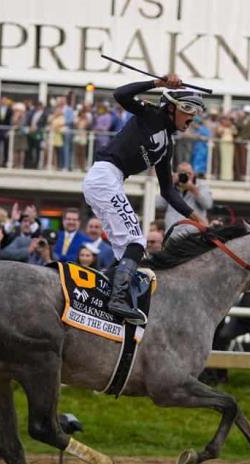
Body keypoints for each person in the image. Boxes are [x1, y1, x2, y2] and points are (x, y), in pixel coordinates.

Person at [83, 74, 208, 323]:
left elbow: (168, 191)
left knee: (126, 250)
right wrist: (157, 83)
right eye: (188, 111)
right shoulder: (150, 114)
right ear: (172, 107)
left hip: (109, 181)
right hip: (105, 176)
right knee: (137, 241)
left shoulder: (167, 146)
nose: (192, 119)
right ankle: (117, 300)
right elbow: (120, 94)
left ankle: (99, 295)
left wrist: (197, 219)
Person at [156, 162, 213, 232]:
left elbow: (208, 204)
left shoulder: (201, 185)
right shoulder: (171, 188)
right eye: (181, 173)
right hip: (172, 233)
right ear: (176, 174)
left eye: (188, 173)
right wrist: (169, 184)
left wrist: (193, 189)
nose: (185, 176)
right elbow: (157, 204)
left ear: (194, 174)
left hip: (193, 234)